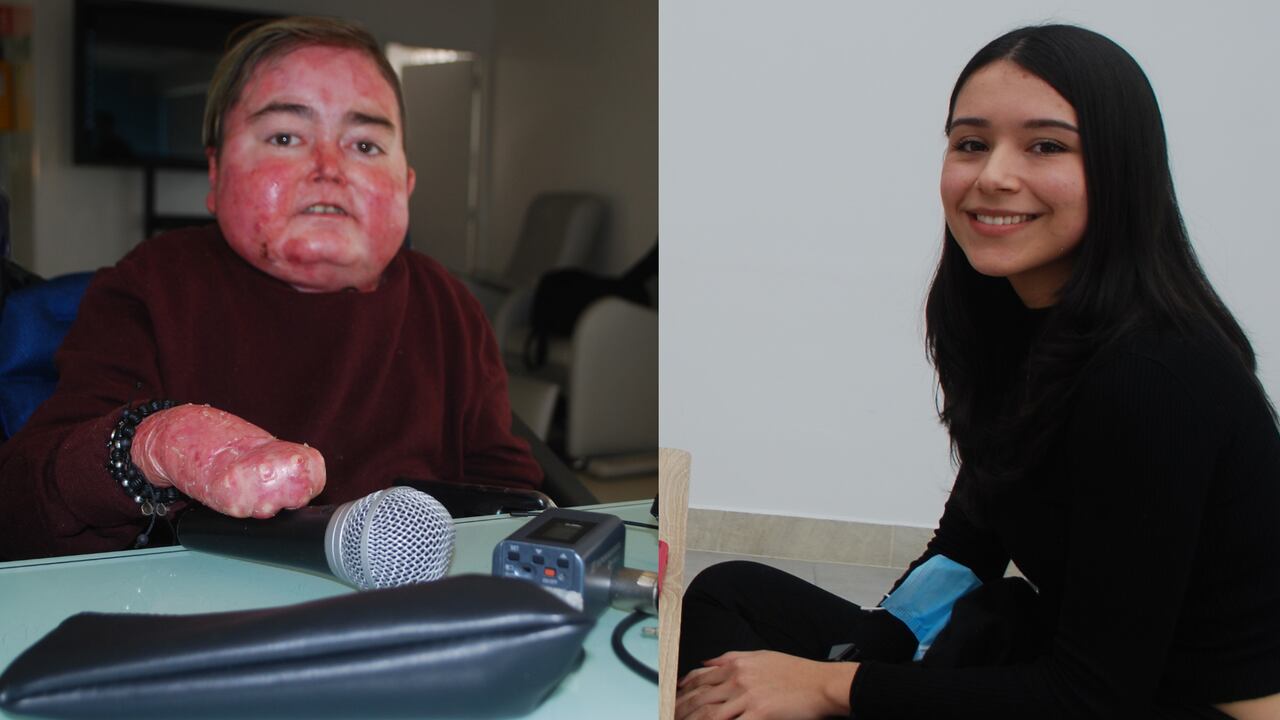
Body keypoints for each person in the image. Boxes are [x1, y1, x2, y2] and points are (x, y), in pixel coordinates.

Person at [676, 24, 1280, 720]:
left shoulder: (1153, 375)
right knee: (729, 596)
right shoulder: (1017, 326)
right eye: (970, 143)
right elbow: (969, 544)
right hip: (1071, 667)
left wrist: (830, 688)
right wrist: (858, 655)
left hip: (1166, 704)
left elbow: (1092, 695)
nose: (993, 175)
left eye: (1045, 145)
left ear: (1122, 167)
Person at [0, 17, 541, 560]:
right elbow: (22, 506)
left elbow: (509, 494)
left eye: (366, 145)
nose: (329, 168)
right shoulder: (150, 287)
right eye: (285, 136)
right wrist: (150, 445)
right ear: (215, 175)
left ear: (406, 184)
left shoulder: (448, 305)